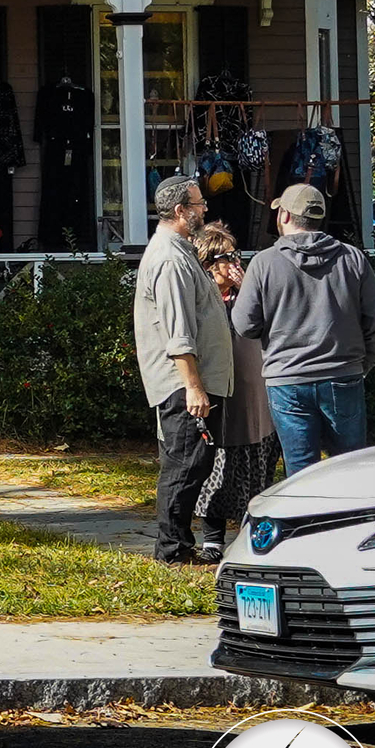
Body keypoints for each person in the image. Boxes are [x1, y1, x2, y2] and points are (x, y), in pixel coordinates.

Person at [231, 182, 375, 473]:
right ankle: (349, 519)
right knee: (350, 467)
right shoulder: (352, 259)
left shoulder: (263, 264)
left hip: (287, 381)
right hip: (343, 376)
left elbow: (244, 325)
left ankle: (308, 519)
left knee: (301, 470)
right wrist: (363, 363)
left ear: (284, 216)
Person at [132, 175, 234, 566]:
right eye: (198, 204)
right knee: (185, 465)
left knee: (195, 463)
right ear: (180, 212)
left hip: (193, 382)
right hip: (184, 386)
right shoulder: (171, 260)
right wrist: (194, 387)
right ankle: (173, 552)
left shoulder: (182, 251)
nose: (204, 209)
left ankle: (177, 547)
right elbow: (177, 333)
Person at [192, 222, 278, 564]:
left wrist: (249, 291)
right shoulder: (203, 297)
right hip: (220, 392)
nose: (235, 264)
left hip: (254, 391)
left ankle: (250, 531)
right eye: (227, 257)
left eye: (236, 255)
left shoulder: (247, 295)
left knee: (256, 465)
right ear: (210, 262)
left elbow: (269, 323)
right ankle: (213, 537)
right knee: (218, 468)